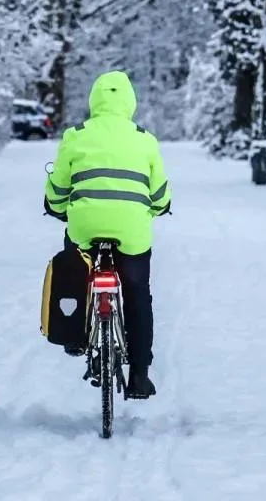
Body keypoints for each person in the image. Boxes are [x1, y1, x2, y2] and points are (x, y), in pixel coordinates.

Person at [42, 70, 171, 399]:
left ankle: (75, 335)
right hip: (132, 231)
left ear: (94, 100)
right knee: (138, 293)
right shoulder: (145, 139)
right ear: (130, 103)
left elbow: (58, 187)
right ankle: (140, 376)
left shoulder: (76, 135)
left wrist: (56, 205)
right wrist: (159, 206)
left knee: (75, 265)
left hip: (85, 227)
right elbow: (159, 195)